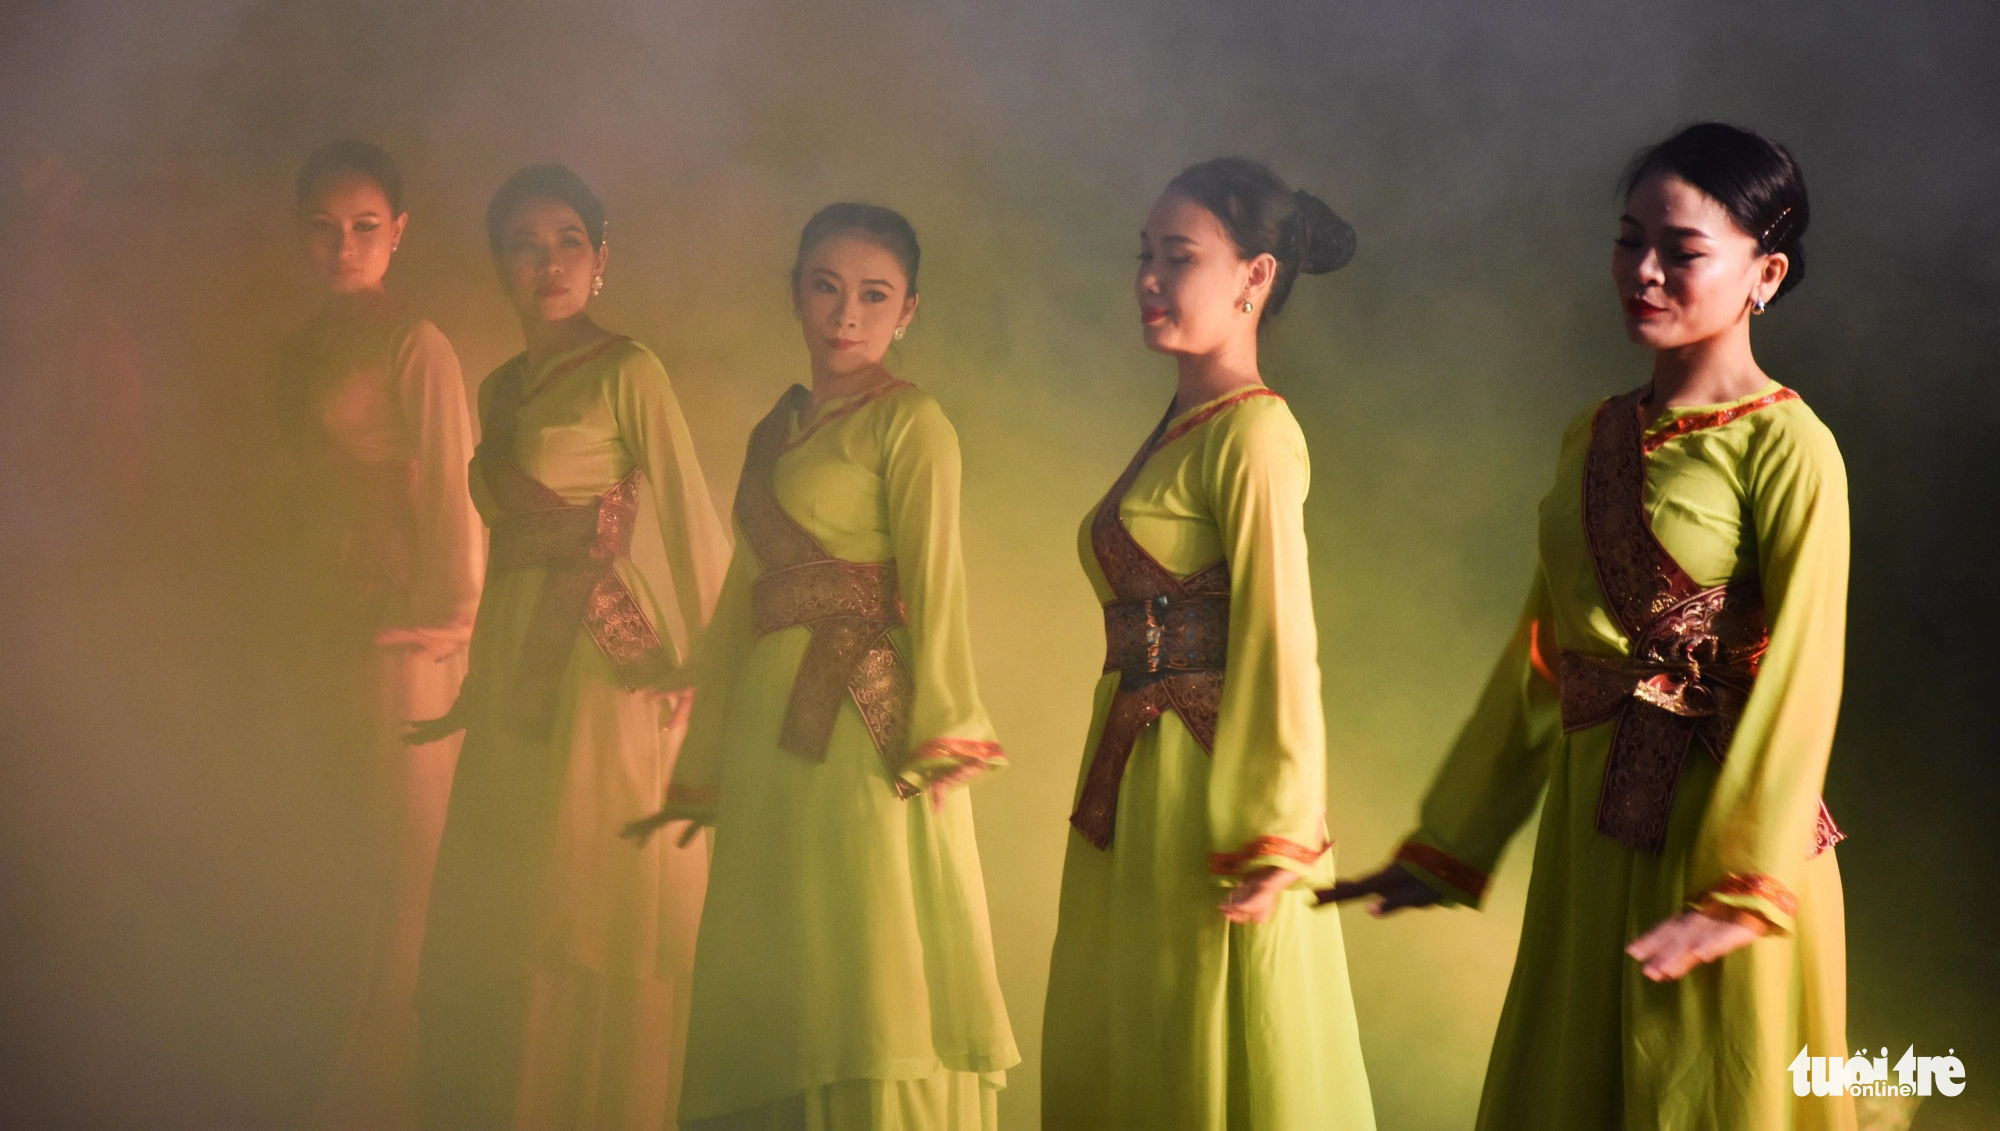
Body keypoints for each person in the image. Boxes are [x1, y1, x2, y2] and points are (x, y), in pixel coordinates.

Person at [1327, 123, 1852, 1130]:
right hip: (1593, 827)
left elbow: (1804, 670)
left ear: (1765, 274)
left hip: (1721, 842)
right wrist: (1450, 840)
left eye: (1680, 250)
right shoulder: (1592, 434)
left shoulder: (1789, 446)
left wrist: (1739, 886)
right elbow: (1544, 657)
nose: (1643, 270)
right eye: (1628, 240)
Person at [627, 203, 1018, 1130]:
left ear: (908, 311)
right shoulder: (777, 429)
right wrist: (702, 704)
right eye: (826, 287)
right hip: (767, 737)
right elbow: (745, 591)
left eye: (874, 295)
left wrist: (948, 726)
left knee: (865, 958)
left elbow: (938, 582)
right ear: (795, 295)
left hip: (859, 727)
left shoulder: (912, 423)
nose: (847, 313)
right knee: (775, 959)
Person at [1040, 159, 1376, 1130]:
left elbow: (1282, 634)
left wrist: (1276, 828)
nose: (1148, 278)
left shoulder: (1254, 432)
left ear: (1254, 276)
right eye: (1143, 255)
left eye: (1178, 257)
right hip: (1135, 774)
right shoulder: (1181, 427)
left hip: (1210, 786)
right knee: (1132, 1037)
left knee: (1204, 1040)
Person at [411, 164, 730, 1129]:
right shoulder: (498, 387)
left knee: (582, 905)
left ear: (600, 260)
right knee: (503, 899)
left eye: (567, 242)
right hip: (513, 666)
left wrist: (714, 670)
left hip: (601, 661)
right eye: (525, 244)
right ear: (498, 265)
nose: (547, 262)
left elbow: (692, 520)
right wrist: (474, 678)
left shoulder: (629, 368)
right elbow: (500, 550)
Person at [275, 139, 484, 1130]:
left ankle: (394, 1087)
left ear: (399, 233)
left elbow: (453, 483)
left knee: (403, 852)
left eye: (364, 227)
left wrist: (455, 615)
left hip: (404, 620)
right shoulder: (305, 345)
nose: (343, 247)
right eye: (323, 228)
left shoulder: (417, 343)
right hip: (325, 605)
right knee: (336, 839)